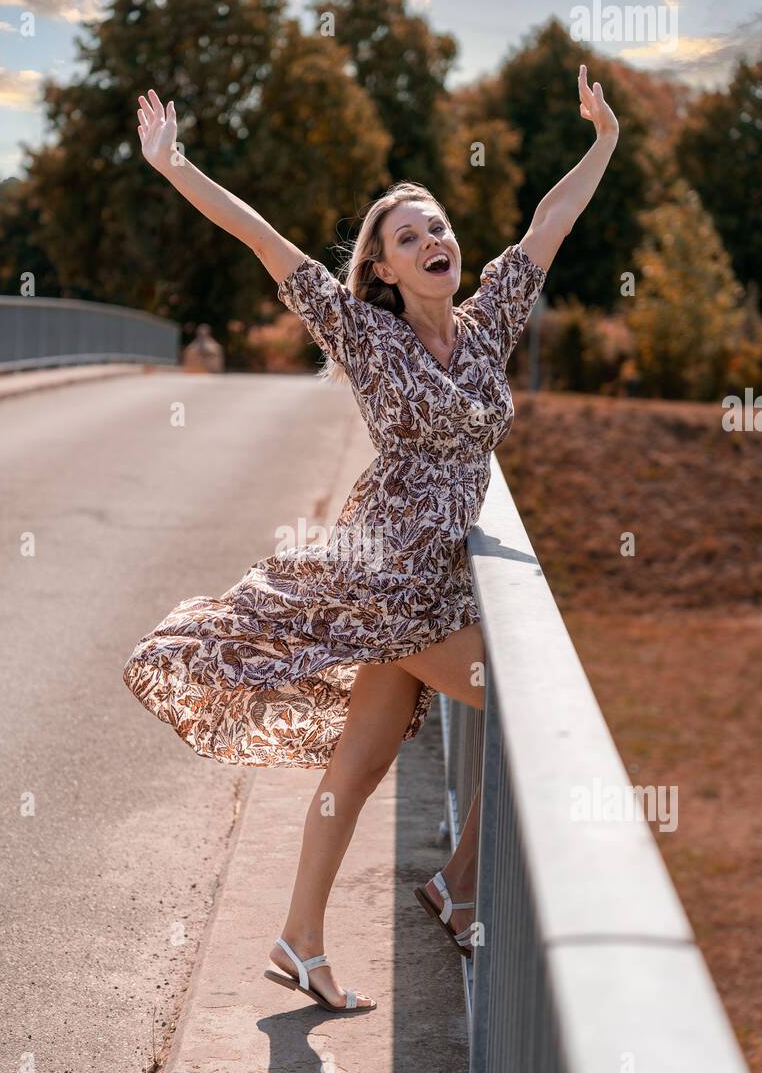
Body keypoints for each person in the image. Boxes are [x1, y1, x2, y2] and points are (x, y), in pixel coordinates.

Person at [124, 69, 619, 1014]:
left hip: (436, 587)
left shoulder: (488, 326)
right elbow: (262, 238)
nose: (433, 242)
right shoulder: (364, 333)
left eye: (439, 228)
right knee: (533, 711)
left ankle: (301, 939)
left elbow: (549, 223)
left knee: (356, 767)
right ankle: (458, 885)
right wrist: (175, 165)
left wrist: (603, 141)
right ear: (383, 269)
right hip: (383, 582)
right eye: (409, 237)